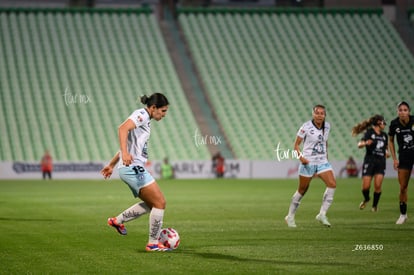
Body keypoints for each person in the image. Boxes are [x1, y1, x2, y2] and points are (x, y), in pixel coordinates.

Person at [100, 93, 171, 251]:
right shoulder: (142, 115)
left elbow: (130, 145)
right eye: (163, 110)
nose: (164, 114)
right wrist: (125, 153)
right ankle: (153, 243)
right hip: (133, 168)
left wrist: (112, 164)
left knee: (152, 203)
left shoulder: (146, 119)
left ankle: (117, 221)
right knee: (160, 203)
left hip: (131, 167)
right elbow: (122, 128)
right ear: (153, 108)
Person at [285, 105, 336, 228]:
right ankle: (290, 216)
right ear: (313, 114)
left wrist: (326, 158)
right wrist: (301, 158)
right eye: (317, 113)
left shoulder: (327, 126)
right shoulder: (306, 127)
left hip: (322, 161)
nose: (319, 115)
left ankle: (322, 214)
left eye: (322, 113)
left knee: (332, 184)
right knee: (302, 190)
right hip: (308, 162)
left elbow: (325, 142)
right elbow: (296, 145)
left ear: (325, 115)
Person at [352, 115, 388, 212]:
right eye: (383, 122)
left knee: (378, 186)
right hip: (370, 161)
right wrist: (365, 143)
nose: (384, 124)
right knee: (365, 187)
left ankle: (374, 206)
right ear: (378, 123)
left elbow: (386, 150)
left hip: (380, 162)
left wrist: (387, 153)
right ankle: (367, 199)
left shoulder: (384, 135)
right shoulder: (369, 133)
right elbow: (359, 144)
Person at [388, 101, 414, 224]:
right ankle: (403, 214)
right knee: (403, 187)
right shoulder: (394, 124)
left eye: (405, 110)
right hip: (404, 157)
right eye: (400, 110)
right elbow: (391, 141)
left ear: (409, 111)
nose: (402, 112)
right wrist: (394, 159)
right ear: (397, 111)